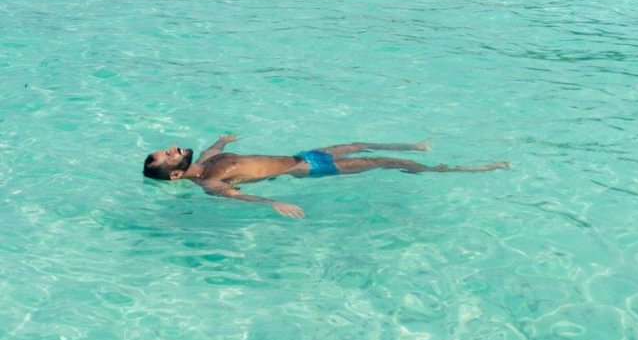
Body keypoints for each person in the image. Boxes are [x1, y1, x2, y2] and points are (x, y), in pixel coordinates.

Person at [143, 136, 509, 218]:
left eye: (169, 147)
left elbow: (210, 149)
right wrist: (275, 202)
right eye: (169, 154)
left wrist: (223, 140)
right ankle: (467, 169)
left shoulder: (208, 160)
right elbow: (238, 196)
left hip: (305, 154)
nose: (174, 147)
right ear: (175, 175)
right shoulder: (209, 185)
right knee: (382, 162)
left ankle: (415, 146)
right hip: (308, 169)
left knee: (357, 143)